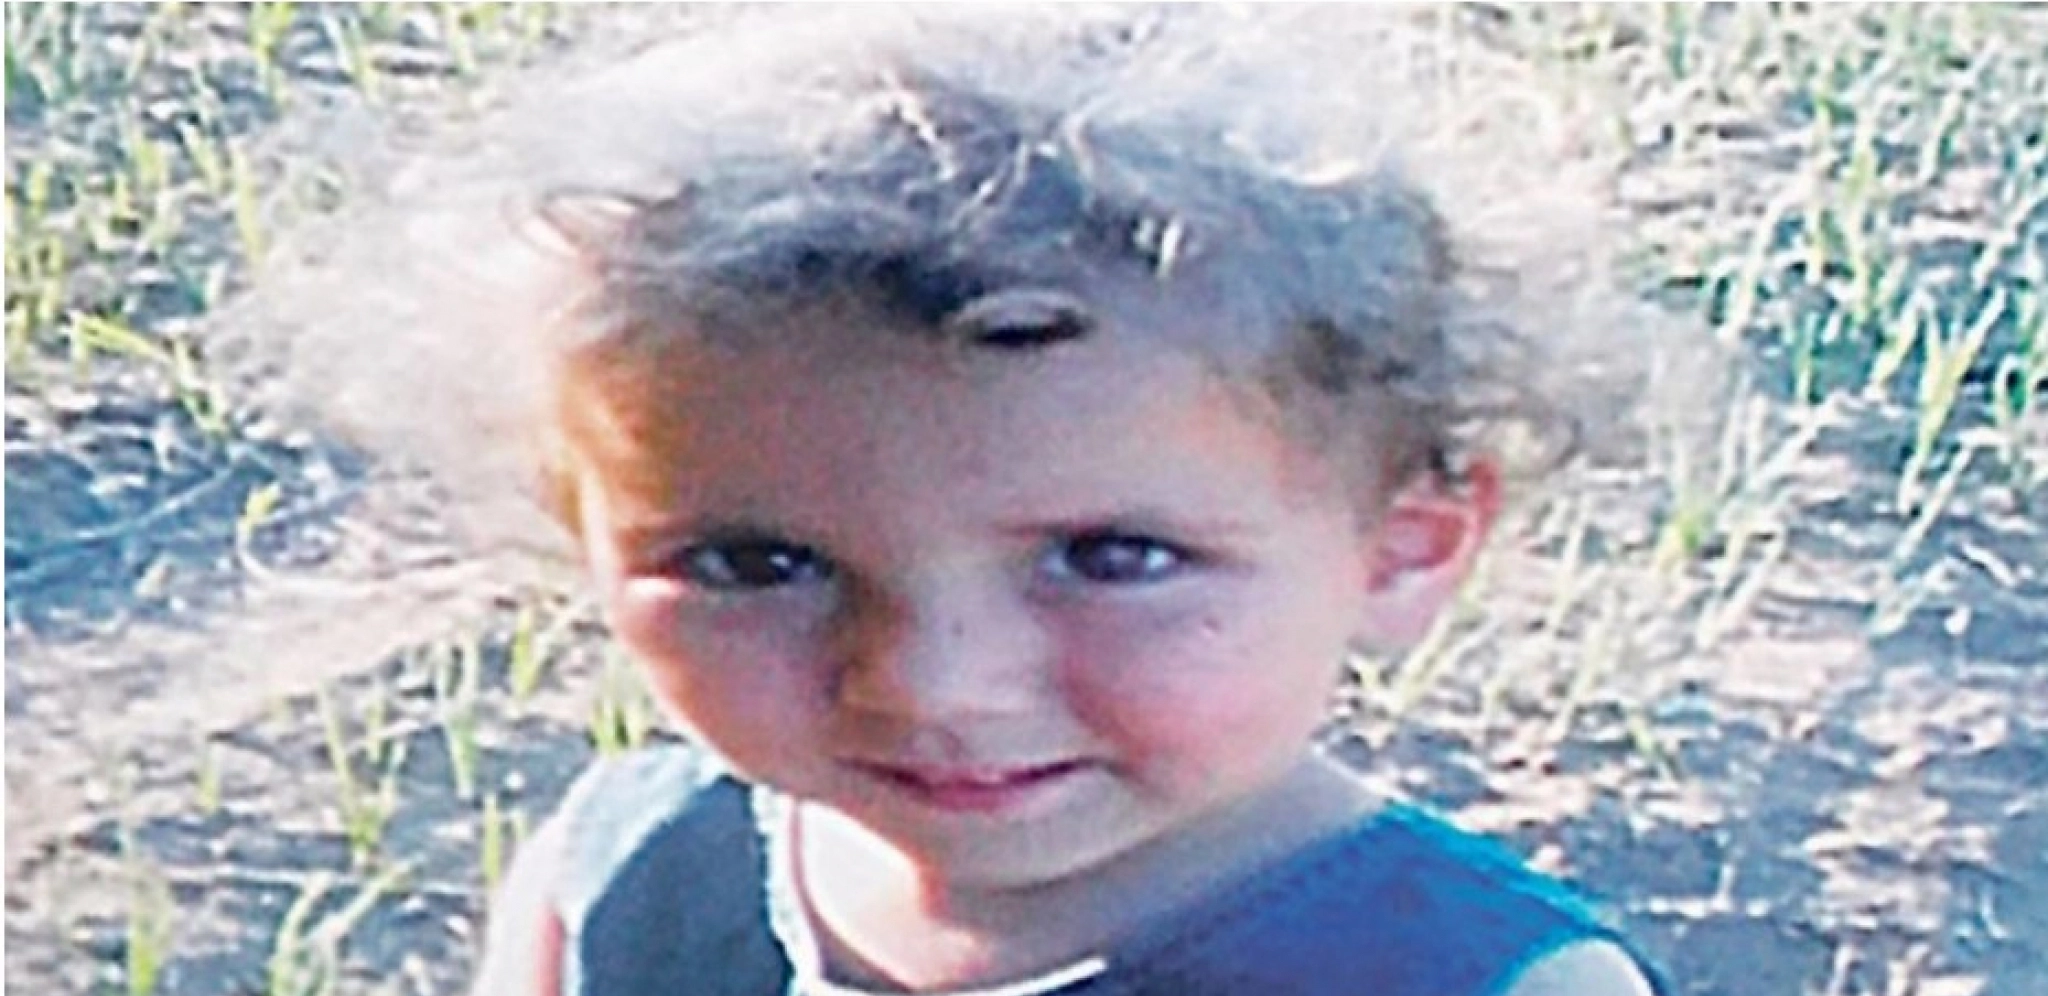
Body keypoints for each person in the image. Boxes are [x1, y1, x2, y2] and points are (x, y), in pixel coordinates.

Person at [271, 7, 1683, 994]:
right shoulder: (629, 882)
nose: (930, 681)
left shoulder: (1465, 981)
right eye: (757, 562)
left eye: (1111, 557)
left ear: (1402, 549)